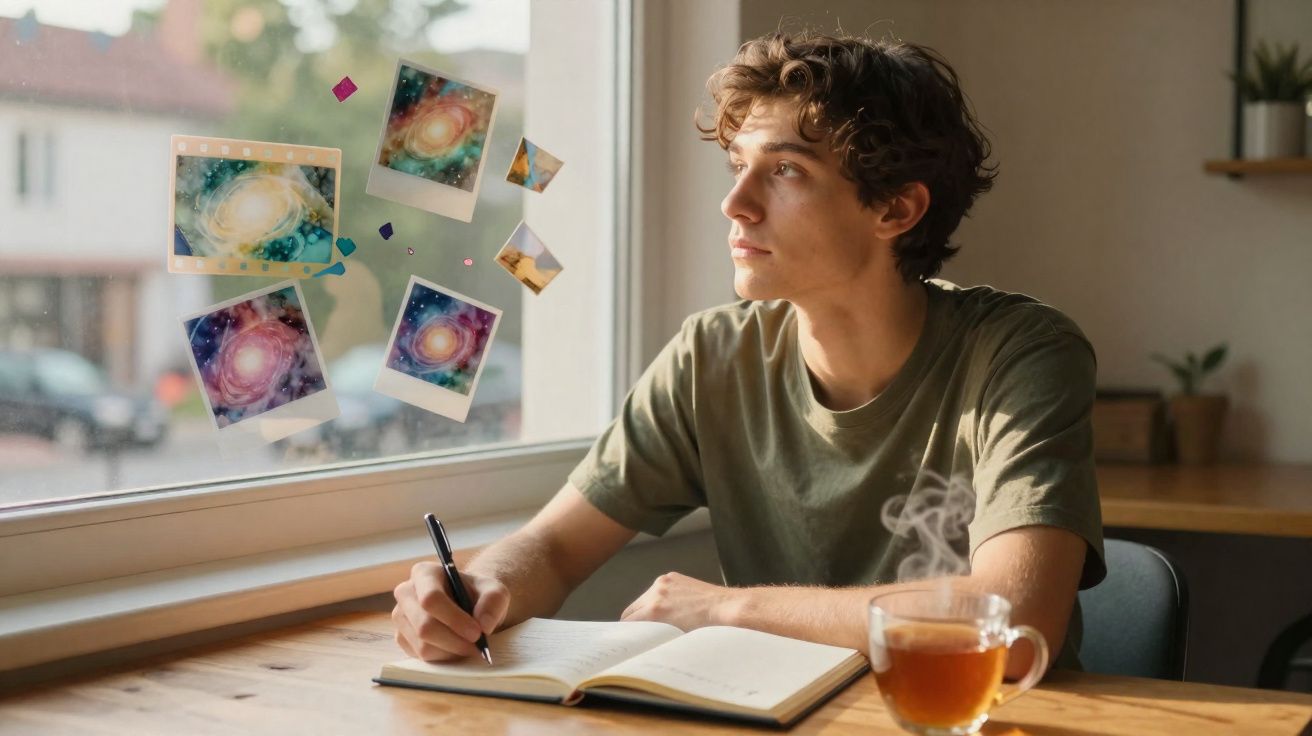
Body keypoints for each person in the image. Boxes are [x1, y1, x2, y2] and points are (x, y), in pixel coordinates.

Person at [392, 31, 1104, 677]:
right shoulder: (712, 356)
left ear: (895, 209)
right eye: (739, 165)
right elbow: (552, 548)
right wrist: (480, 589)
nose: (735, 202)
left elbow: (1013, 624)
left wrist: (728, 608)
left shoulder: (1021, 354)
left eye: (785, 169)